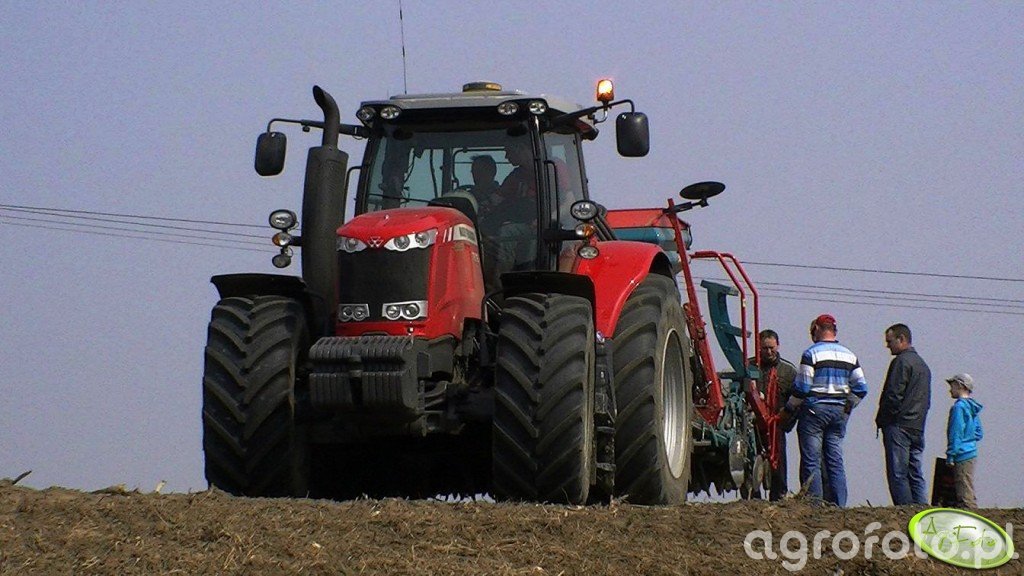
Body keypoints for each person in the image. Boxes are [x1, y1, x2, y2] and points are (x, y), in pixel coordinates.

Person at [782, 314, 868, 507]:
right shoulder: (850, 355)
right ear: (834, 330)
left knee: (812, 460)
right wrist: (847, 406)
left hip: (815, 411)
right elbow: (861, 388)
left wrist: (788, 409)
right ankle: (839, 504)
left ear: (818, 330)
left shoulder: (811, 354)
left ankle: (814, 504)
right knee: (835, 459)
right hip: (839, 412)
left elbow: (802, 388)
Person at [874, 323, 932, 505]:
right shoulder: (923, 365)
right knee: (915, 473)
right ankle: (921, 509)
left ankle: (904, 510)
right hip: (917, 425)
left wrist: (883, 419)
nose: (887, 345)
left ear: (901, 339)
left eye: (890, 341)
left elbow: (893, 395)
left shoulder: (901, 362)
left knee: (898, 473)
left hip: (899, 425)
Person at [753, 329, 798, 501]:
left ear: (777, 345)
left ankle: (779, 496)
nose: (769, 352)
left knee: (778, 463)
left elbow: (798, 399)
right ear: (759, 347)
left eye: (772, 348)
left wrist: (787, 422)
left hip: (777, 424)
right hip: (754, 426)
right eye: (765, 348)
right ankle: (753, 497)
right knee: (753, 460)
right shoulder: (750, 367)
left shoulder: (788, 371)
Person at [945, 373, 983, 508]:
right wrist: (969, 439)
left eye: (953, 386)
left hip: (961, 453)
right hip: (971, 451)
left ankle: (969, 517)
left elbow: (956, 433)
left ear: (960, 386)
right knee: (968, 484)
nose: (950, 389)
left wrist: (951, 454)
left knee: (963, 489)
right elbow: (979, 433)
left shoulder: (958, 408)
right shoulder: (972, 407)